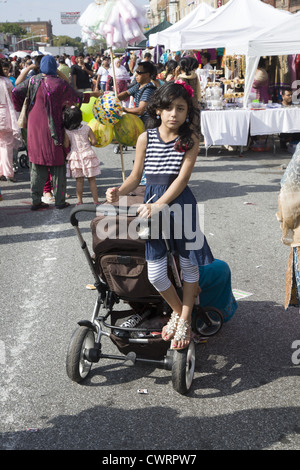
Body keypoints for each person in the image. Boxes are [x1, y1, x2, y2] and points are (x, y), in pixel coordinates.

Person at [106, 81, 214, 349]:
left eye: (180, 108)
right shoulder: (146, 137)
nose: (173, 114)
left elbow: (181, 179)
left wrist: (160, 205)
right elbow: (135, 177)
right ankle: (178, 310)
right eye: (168, 108)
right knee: (155, 272)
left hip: (180, 206)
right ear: (158, 109)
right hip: (152, 207)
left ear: (188, 112)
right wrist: (118, 191)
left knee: (189, 265)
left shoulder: (190, 140)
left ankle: (185, 319)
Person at [12, 55, 101, 210]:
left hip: (34, 127)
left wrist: (33, 69)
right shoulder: (60, 84)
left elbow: (16, 91)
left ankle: (36, 200)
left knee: (37, 164)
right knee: (58, 164)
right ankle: (60, 200)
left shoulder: (33, 81)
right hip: (54, 127)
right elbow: (77, 96)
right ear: (55, 67)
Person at [63, 105, 100, 205]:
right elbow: (94, 141)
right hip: (88, 155)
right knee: (92, 180)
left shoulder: (67, 131)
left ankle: (80, 201)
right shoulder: (87, 128)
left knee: (79, 181)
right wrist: (88, 143)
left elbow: (66, 144)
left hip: (76, 157)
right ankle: (96, 201)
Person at [117, 61, 157, 126]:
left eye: (139, 72)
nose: (136, 75)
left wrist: (121, 108)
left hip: (146, 124)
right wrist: (113, 98)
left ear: (147, 74)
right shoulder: (138, 86)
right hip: (139, 122)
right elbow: (126, 94)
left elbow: (140, 111)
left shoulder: (148, 89)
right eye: (136, 72)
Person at [0, 61, 21, 182]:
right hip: (5, 115)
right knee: (7, 145)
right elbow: (13, 97)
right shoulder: (7, 82)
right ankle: (8, 172)